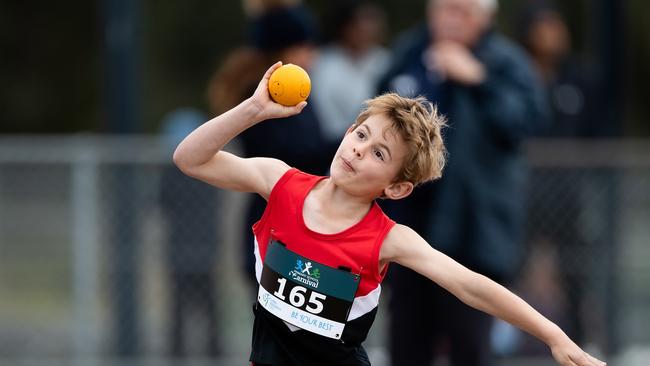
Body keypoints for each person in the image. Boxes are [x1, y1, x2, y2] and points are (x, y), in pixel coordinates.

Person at [173, 61, 605, 366]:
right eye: (360, 134)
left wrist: (554, 336)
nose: (359, 148)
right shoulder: (279, 182)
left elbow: (473, 287)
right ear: (346, 132)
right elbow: (189, 159)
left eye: (378, 152)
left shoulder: (388, 239)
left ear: (396, 188)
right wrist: (253, 109)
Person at [376, 0, 548, 364]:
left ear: (484, 18)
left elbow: (525, 121)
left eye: (462, 11)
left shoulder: (505, 61)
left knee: (470, 344)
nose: (450, 20)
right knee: (406, 341)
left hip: (473, 230)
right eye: (443, 10)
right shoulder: (410, 51)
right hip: (407, 225)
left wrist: (478, 79)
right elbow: (376, 109)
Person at [208, 3, 332, 289]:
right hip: (273, 224)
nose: (313, 54)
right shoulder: (265, 96)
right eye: (306, 46)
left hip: (301, 221)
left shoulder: (297, 92)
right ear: (284, 51)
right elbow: (296, 152)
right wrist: (350, 144)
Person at [159, 109, 220, 357]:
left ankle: (181, 354)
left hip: (183, 247)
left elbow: (160, 204)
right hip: (200, 246)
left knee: (183, 307)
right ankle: (212, 351)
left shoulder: (171, 175)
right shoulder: (208, 174)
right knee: (207, 306)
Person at [311, 0, 391, 150]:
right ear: (347, 26)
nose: (369, 28)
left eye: (373, 20)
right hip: (328, 145)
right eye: (364, 20)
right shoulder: (324, 63)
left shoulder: (385, 62)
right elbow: (323, 115)